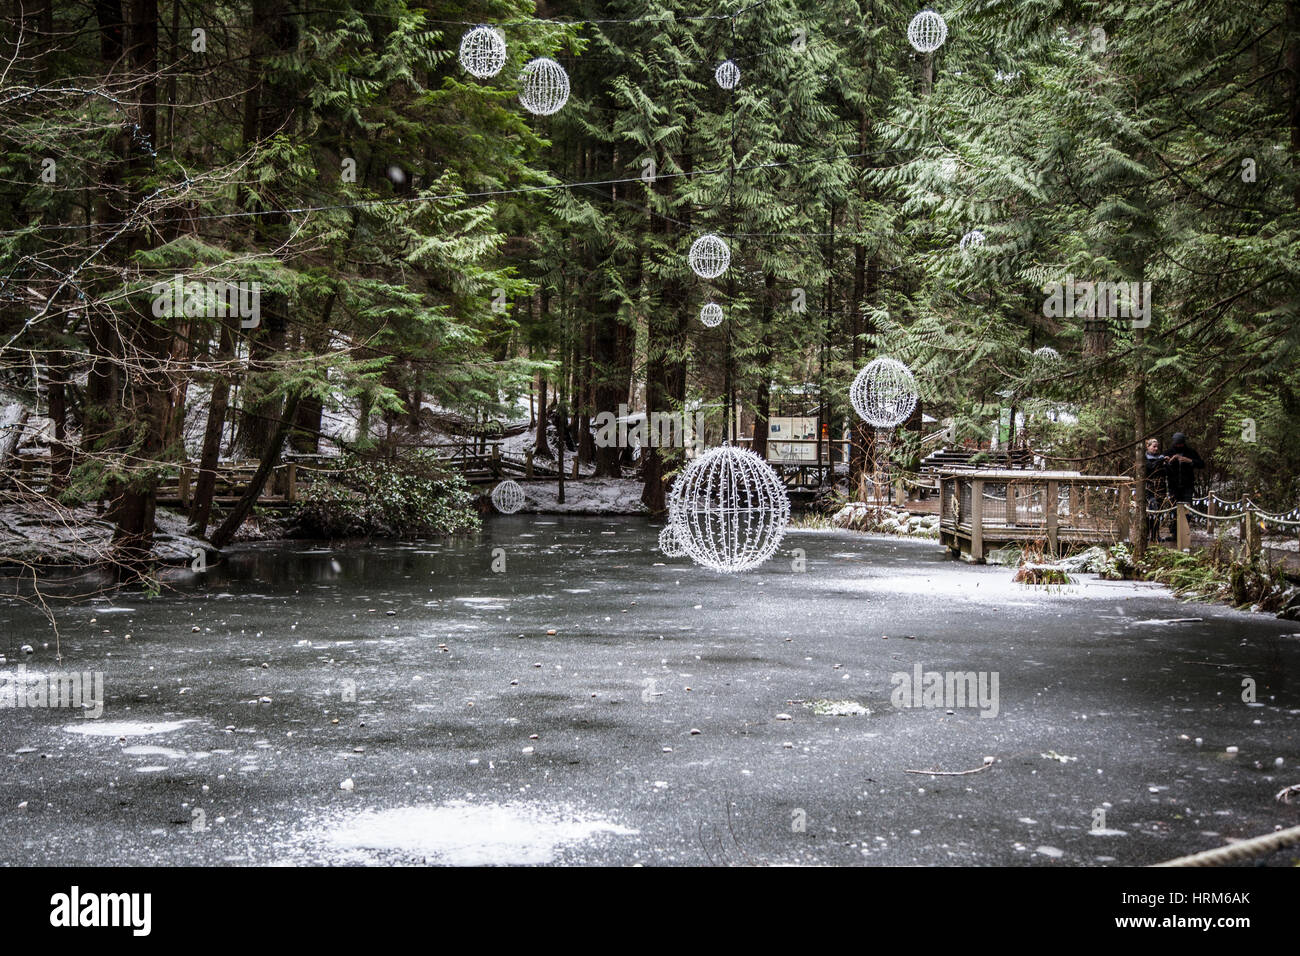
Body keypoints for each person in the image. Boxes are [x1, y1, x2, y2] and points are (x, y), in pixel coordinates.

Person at [1164, 432, 1205, 505]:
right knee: (1173, 507)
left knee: (1187, 508)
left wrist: (1189, 461)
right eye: (1177, 444)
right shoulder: (1168, 452)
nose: (1179, 446)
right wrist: (1170, 461)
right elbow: (1162, 468)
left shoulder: (1190, 452)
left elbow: (1201, 464)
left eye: (1180, 444)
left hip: (1187, 486)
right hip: (1173, 486)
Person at [1143, 437, 1168, 541]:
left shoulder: (1159, 458)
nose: (1156, 449)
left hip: (1161, 487)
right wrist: (1160, 460)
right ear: (1148, 447)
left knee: (1159, 513)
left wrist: (1166, 464)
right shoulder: (1144, 458)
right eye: (1154, 446)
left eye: (1157, 447)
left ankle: (1156, 535)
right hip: (1150, 488)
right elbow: (1150, 468)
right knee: (1151, 512)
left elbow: (1165, 472)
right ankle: (1148, 535)